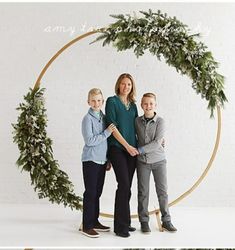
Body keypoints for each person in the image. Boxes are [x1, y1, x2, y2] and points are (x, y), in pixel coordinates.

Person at [135, 92, 177, 233]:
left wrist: (139, 149)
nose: (148, 106)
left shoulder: (161, 121)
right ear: (141, 105)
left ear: (155, 105)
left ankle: (166, 220)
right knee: (143, 192)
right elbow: (133, 137)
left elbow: (157, 142)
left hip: (159, 161)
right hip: (142, 163)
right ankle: (144, 221)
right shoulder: (137, 121)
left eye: (151, 103)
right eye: (145, 103)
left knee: (162, 192)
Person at [105, 73, 139, 238]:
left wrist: (156, 140)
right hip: (118, 148)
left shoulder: (132, 105)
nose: (126, 87)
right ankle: (120, 227)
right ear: (119, 84)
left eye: (129, 85)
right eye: (124, 84)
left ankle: (126, 221)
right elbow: (112, 126)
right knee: (123, 185)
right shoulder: (112, 101)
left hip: (132, 149)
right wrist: (127, 146)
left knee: (128, 187)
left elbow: (138, 127)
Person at [80, 88, 116, 238]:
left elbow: (106, 142)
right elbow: (90, 140)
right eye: (93, 100)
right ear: (88, 102)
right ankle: (86, 226)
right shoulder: (87, 119)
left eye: (99, 100)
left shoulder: (104, 117)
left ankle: (94, 221)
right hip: (91, 160)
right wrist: (107, 132)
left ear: (102, 102)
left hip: (102, 160)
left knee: (98, 192)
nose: (96, 103)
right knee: (90, 193)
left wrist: (108, 159)